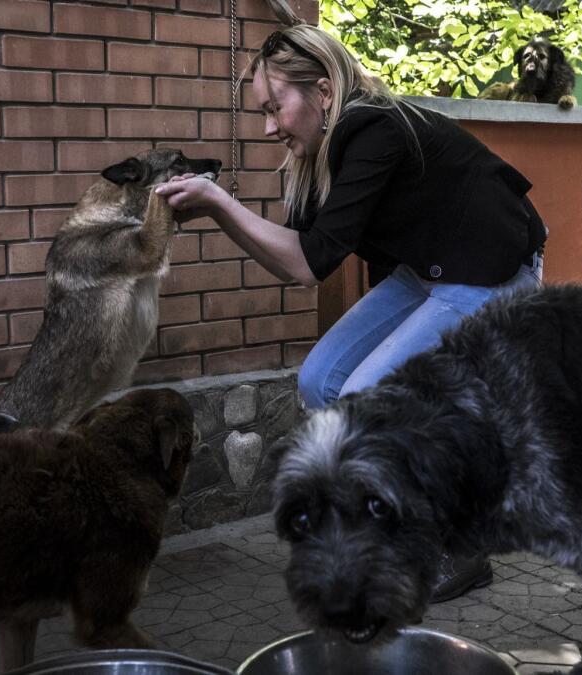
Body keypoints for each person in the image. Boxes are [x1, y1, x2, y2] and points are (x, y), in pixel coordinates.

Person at [154, 24, 547, 602]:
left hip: (494, 269)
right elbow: (296, 255)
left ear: (323, 93)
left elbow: (307, 266)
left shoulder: (374, 127)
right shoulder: (320, 156)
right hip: (431, 269)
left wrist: (217, 203)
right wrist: (219, 209)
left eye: (275, 107)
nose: (268, 127)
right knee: (322, 381)